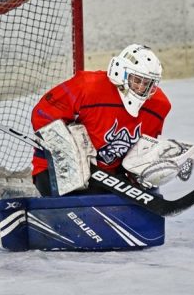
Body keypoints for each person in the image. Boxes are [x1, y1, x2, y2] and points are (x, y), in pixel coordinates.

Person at [31, 43, 173, 196]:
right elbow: (41, 114)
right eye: (137, 80)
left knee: (147, 191)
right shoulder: (87, 87)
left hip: (108, 178)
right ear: (121, 72)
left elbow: (142, 150)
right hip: (58, 171)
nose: (141, 88)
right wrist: (68, 149)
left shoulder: (159, 105)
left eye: (147, 84)